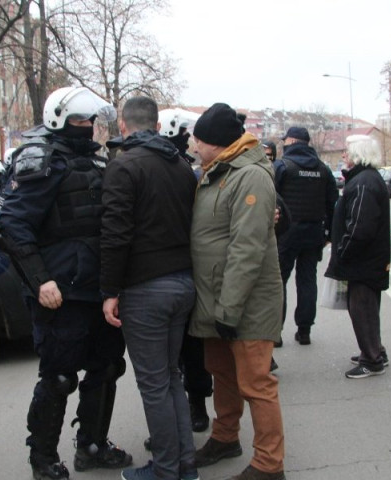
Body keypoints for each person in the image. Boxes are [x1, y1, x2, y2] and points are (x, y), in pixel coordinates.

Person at [0, 86, 132, 480]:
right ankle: (42, 458)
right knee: (58, 377)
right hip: (61, 293)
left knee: (106, 368)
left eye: (90, 120)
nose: (87, 127)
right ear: (58, 119)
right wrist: (40, 281)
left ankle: (92, 445)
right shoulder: (42, 162)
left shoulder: (99, 163)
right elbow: (13, 225)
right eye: (78, 120)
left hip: (99, 288)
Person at [101, 96, 199, 480]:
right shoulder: (180, 166)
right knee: (171, 376)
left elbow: (115, 233)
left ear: (123, 126)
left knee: (155, 383)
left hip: (146, 289)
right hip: (183, 282)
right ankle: (183, 466)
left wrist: (109, 290)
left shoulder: (123, 166)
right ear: (157, 127)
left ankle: (165, 470)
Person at [188, 103, 286, 480]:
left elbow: (247, 249)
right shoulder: (217, 171)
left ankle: (269, 464)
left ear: (218, 142)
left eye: (200, 140)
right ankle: (226, 437)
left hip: (246, 303)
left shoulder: (250, 176)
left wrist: (228, 310)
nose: (195, 147)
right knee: (222, 374)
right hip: (217, 298)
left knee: (256, 383)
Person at [158, 107, 214, 432]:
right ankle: (191, 408)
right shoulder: (187, 172)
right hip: (186, 270)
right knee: (187, 349)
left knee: (185, 351)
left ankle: (192, 408)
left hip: (182, 271)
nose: (190, 141)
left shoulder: (191, 172)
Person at [325, 135, 390, 379]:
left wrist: (343, 250)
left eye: (347, 151)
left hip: (363, 262)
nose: (344, 155)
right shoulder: (367, 179)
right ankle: (375, 351)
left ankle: (372, 359)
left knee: (362, 309)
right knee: (367, 309)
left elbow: (360, 227)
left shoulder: (362, 182)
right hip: (368, 260)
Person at [273, 126, 339, 345]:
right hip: (313, 232)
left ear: (292, 141)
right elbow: (333, 203)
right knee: (307, 280)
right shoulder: (323, 169)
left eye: (285, 141)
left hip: (285, 234)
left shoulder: (282, 166)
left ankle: (276, 333)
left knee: (278, 281)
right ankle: (304, 331)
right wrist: (328, 232)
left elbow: (271, 198)